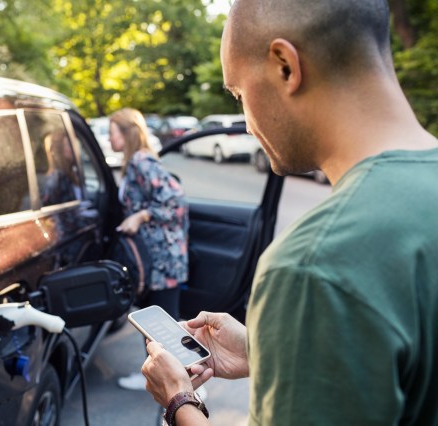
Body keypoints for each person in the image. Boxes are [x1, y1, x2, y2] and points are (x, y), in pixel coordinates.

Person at [141, 0, 438, 424]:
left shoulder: (313, 266)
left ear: (285, 65)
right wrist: (268, 351)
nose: (245, 122)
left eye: (239, 93)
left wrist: (179, 401)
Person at [108, 108, 190, 391]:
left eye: (112, 132)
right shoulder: (135, 162)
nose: (109, 138)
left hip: (163, 258)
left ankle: (186, 382)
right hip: (153, 258)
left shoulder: (141, 162)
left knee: (164, 322)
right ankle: (156, 377)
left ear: (127, 132)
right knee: (154, 321)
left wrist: (140, 216)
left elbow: (176, 202)